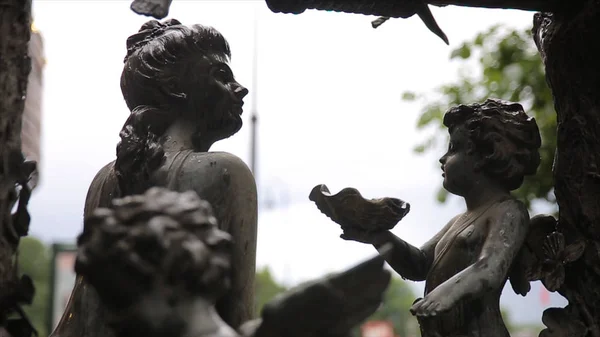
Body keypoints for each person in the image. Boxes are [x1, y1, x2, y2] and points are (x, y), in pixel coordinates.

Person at [50, 19, 257, 337]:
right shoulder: (226, 173)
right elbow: (238, 314)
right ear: (177, 88)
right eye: (222, 75)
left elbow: (81, 314)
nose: (239, 88)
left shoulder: (104, 179)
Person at [340, 99, 541, 337]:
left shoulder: (508, 211)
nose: (443, 159)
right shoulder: (459, 220)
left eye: (454, 148)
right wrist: (377, 236)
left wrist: (447, 293)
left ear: (486, 155)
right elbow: (419, 264)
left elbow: (490, 269)